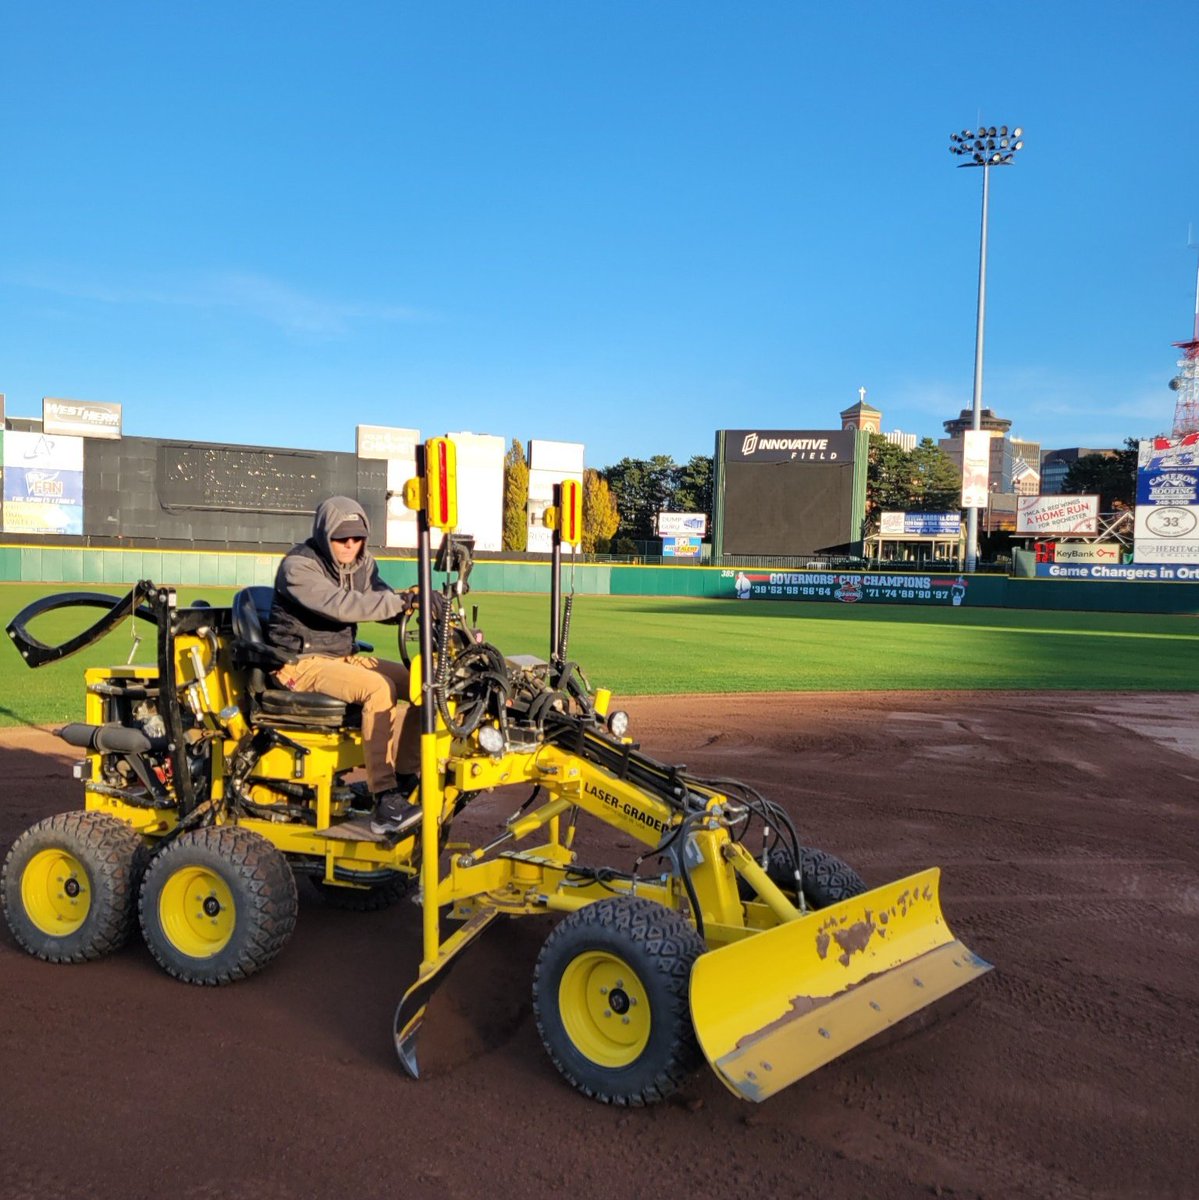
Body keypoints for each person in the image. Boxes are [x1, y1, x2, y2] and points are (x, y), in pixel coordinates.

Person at [267, 495, 425, 837]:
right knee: (378, 688)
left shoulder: (362, 564)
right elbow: (342, 605)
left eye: (357, 538)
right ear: (325, 535)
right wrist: (399, 601)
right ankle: (385, 800)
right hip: (299, 663)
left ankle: (404, 778)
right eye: (342, 538)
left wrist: (418, 602)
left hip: (341, 656)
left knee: (421, 682)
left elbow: (380, 600)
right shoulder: (298, 566)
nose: (350, 545)